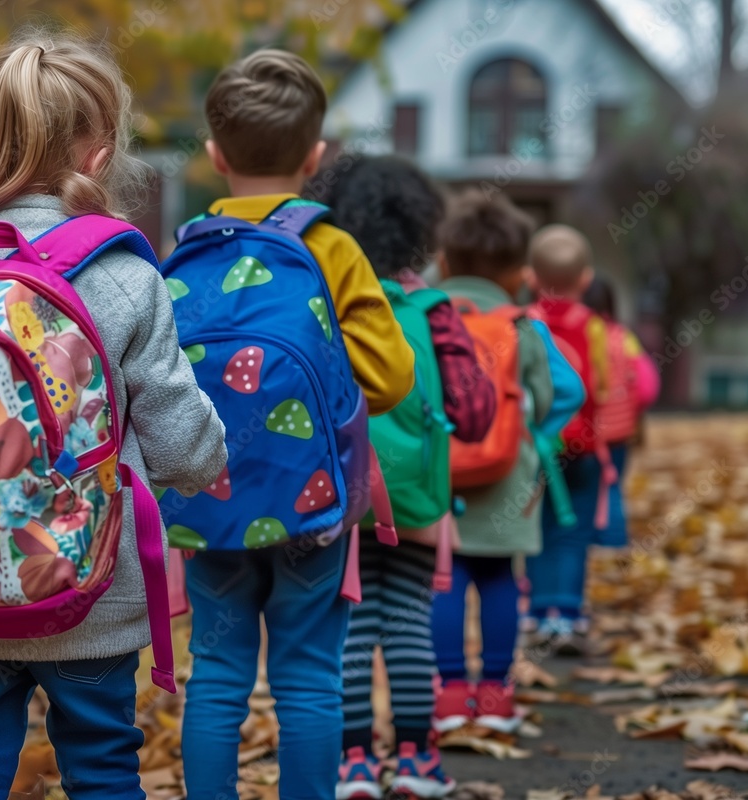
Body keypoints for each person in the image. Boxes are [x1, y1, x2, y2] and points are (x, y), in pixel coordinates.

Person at [0, 32, 227, 800]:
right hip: (85, 587)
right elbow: (182, 441)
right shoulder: (121, 274)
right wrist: (212, 461)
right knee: (102, 764)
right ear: (100, 156)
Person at [178, 50, 415, 800]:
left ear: (215, 155)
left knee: (216, 673)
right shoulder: (332, 248)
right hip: (311, 501)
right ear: (315, 158)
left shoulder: (180, 255)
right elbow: (390, 376)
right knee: (309, 674)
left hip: (209, 496)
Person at [310, 156, 494, 798]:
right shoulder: (436, 312)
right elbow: (473, 415)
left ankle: (354, 762)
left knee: (353, 630)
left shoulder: (322, 302)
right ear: (420, 227)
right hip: (415, 499)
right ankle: (416, 759)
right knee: (410, 621)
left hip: (336, 497)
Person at [430, 191, 554, 735]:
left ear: (446, 261)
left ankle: (452, 694)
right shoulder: (523, 327)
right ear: (517, 273)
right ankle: (498, 695)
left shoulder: (427, 317)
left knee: (447, 579)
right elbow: (544, 400)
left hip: (440, 474)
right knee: (501, 578)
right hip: (506, 478)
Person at [524, 266, 659, 651]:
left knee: (538, 529)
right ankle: (568, 615)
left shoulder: (525, 324)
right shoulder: (610, 332)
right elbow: (646, 386)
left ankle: (535, 610)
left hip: (539, 444)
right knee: (574, 533)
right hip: (591, 444)